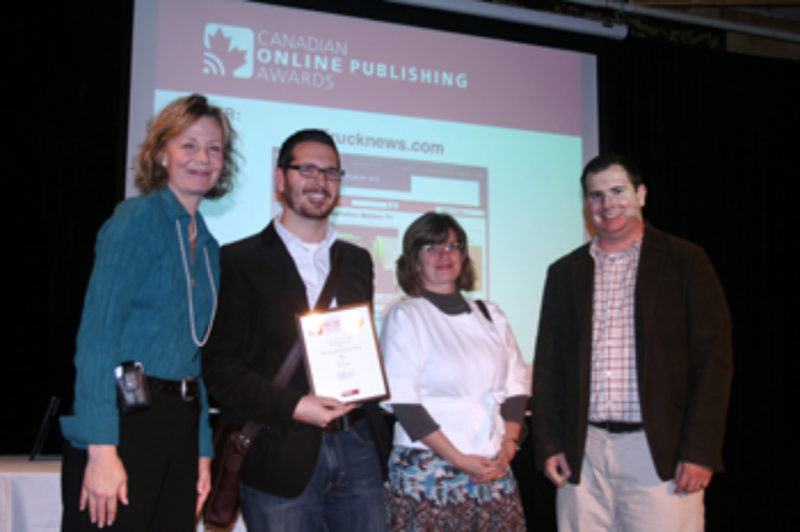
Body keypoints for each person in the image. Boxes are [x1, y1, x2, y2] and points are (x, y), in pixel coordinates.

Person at [59, 93, 238, 530]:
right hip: (126, 420)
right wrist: (101, 449)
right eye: (189, 144)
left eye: (214, 148)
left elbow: (191, 357)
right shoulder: (136, 219)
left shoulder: (209, 245)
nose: (203, 158)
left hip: (179, 425)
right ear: (161, 153)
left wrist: (201, 451)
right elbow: (98, 338)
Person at [531, 154, 733, 531]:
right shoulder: (563, 272)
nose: (607, 204)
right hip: (583, 454)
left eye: (617, 191)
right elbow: (548, 367)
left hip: (659, 454)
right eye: (595, 195)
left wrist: (700, 451)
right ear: (586, 204)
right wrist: (548, 444)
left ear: (641, 194)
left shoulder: (686, 262)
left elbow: (713, 364)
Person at [202, 129, 389, 531]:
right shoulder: (238, 260)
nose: (320, 181)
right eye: (307, 169)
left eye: (331, 172)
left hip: (358, 448)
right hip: (278, 452)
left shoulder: (357, 260)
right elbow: (219, 369)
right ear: (279, 178)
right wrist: (294, 406)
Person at [380, 212, 530, 531]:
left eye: (452, 246)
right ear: (414, 262)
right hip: (429, 471)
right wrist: (458, 459)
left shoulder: (491, 314)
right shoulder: (404, 316)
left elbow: (516, 386)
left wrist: (509, 445)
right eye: (431, 248)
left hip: (494, 466)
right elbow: (405, 404)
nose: (444, 255)